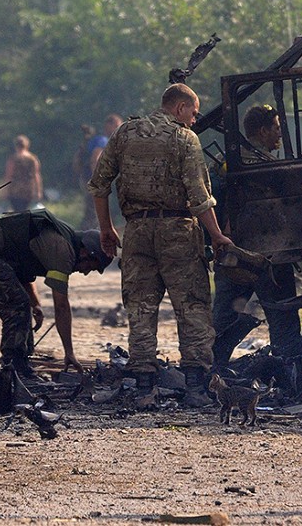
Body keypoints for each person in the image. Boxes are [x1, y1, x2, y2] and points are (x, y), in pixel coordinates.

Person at [87, 83, 232, 406]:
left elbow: (99, 184)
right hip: (178, 231)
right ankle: (195, 388)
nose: (194, 121)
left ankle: (143, 389)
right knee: (192, 307)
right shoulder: (184, 139)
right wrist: (218, 235)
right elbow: (199, 197)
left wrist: (106, 229)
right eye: (193, 114)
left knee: (140, 309)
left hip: (136, 231)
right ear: (179, 108)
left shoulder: (125, 133)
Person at [0, 209, 112, 378]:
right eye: (90, 267)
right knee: (17, 305)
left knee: (22, 303)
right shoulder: (62, 251)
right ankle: (13, 364)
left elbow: (23, 270)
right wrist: (69, 353)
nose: (85, 272)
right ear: (85, 252)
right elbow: (61, 306)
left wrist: (36, 304)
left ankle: (21, 362)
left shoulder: (64, 240)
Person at [212, 104, 302, 367]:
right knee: (283, 323)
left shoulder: (226, 164)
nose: (279, 134)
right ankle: (290, 374)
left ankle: (208, 376)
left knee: (222, 320)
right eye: (276, 128)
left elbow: (209, 199)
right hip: (271, 259)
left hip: (235, 257)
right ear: (263, 131)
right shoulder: (272, 167)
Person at [80, 114, 122, 228]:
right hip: (94, 178)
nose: (119, 129)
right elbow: (95, 158)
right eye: (117, 125)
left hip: (87, 177)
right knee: (95, 208)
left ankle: (89, 231)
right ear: (109, 125)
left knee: (91, 206)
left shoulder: (96, 140)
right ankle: (90, 233)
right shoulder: (102, 140)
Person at [3, 135, 43, 211]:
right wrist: (38, 191)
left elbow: (9, 175)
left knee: (17, 211)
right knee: (24, 211)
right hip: (28, 191)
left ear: (16, 145)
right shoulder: (33, 159)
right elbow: (36, 175)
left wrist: (5, 190)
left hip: (14, 190)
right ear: (27, 145)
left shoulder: (13, 159)